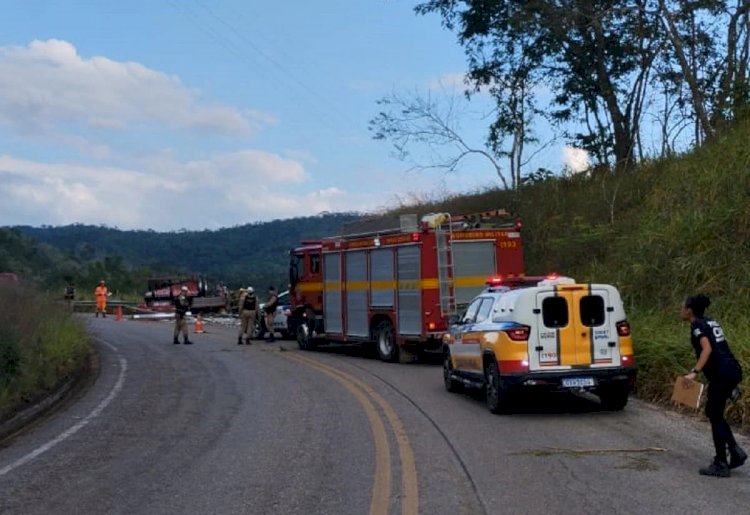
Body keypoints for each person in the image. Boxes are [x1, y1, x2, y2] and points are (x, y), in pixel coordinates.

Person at [681, 294, 746, 477]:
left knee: (714, 415)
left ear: (689, 310)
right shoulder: (710, 322)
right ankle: (734, 451)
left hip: (722, 374)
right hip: (732, 369)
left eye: (683, 307)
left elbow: (707, 349)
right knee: (713, 412)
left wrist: (694, 371)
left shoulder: (697, 326)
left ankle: (721, 463)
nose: (681, 310)